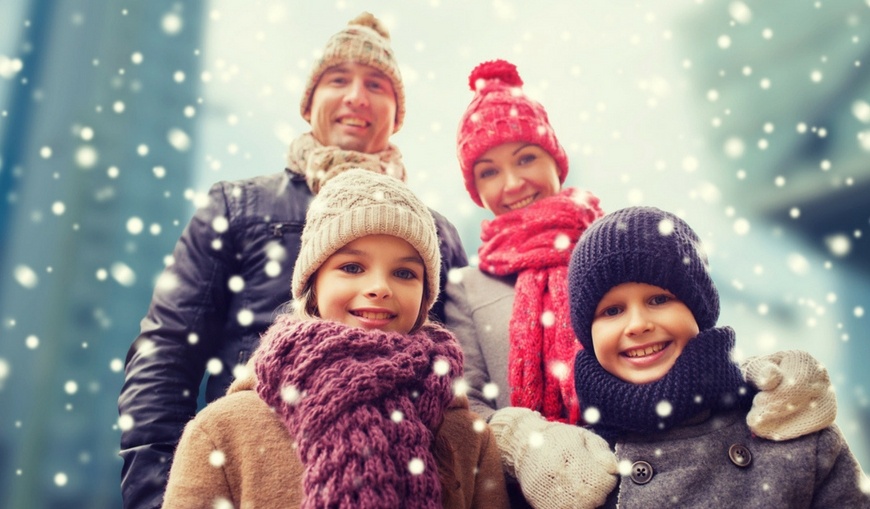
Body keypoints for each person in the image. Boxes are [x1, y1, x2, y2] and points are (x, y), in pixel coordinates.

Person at [444, 59, 840, 509]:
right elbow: (464, 404)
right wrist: (527, 443)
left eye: (525, 158)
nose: (513, 182)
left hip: (643, 453)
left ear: (555, 159)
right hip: (540, 493)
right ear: (475, 188)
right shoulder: (468, 287)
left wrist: (764, 382)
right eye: (489, 171)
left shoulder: (615, 246)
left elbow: (696, 332)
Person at [118, 13, 467, 509]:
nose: (356, 96)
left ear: (396, 113)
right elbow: (167, 350)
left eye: (376, 84)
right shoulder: (237, 205)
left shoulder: (435, 233)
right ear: (309, 103)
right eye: (338, 79)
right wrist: (165, 494)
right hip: (255, 471)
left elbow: (457, 372)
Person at [160, 169, 509, 509]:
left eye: (404, 273)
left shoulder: (468, 437)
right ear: (314, 284)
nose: (379, 288)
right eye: (352, 267)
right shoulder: (224, 432)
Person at [566, 205, 869, 508]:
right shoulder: (575, 468)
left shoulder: (789, 426)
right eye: (612, 310)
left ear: (699, 310)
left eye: (659, 299)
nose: (637, 325)